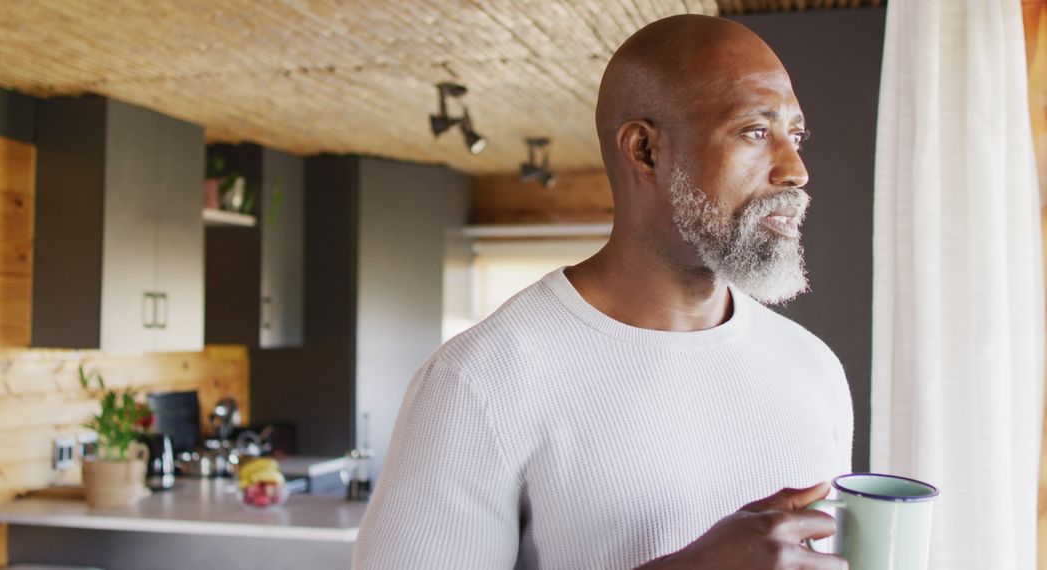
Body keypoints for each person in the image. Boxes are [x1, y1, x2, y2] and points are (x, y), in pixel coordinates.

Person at [353, 14, 853, 570]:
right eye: (756, 132)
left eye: (796, 135)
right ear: (645, 151)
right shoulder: (478, 381)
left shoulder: (813, 367)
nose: (797, 170)